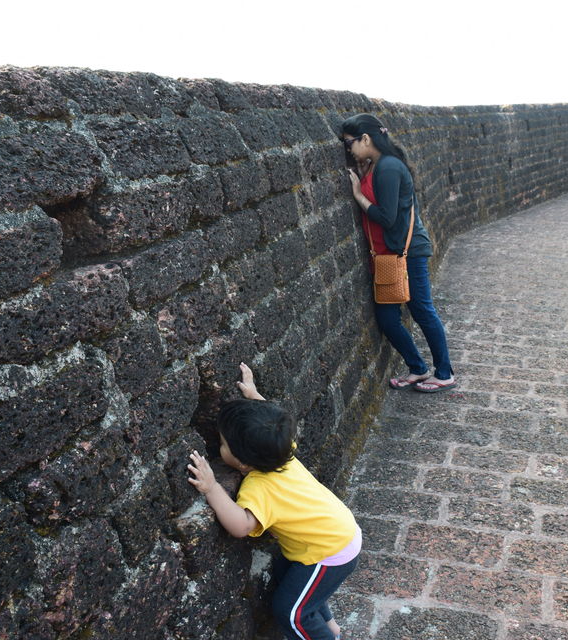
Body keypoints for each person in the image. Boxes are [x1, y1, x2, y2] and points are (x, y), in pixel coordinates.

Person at [187, 363, 361, 640]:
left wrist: (211, 487)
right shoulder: (281, 452)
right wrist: (254, 397)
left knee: (292, 612)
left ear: (243, 462)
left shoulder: (260, 487)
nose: (220, 448)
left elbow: (242, 525)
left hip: (330, 551)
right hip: (336, 533)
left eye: (223, 445)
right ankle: (330, 628)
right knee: (289, 574)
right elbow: (276, 426)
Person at [341, 113, 456, 393]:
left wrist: (358, 196)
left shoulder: (389, 167)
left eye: (350, 143)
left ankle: (445, 373)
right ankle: (418, 368)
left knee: (422, 311)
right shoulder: (378, 165)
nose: (348, 149)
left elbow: (388, 217)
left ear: (366, 139)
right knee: (388, 319)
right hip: (390, 254)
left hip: (409, 252)